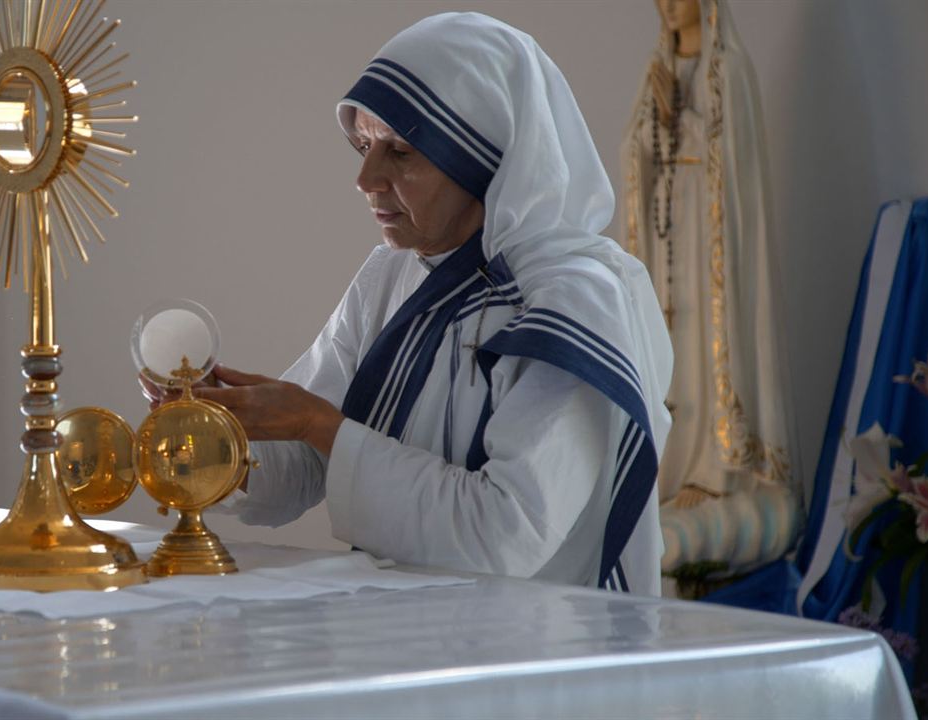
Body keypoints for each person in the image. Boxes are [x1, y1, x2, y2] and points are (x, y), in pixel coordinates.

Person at [150, 13, 673, 594]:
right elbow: (303, 468)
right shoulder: (392, 276)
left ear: (484, 159)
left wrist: (316, 423)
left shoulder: (577, 304)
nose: (365, 177)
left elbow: (501, 535)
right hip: (403, 638)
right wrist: (215, 430)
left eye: (399, 151)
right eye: (364, 145)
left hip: (533, 659)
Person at [622, 0, 800, 577]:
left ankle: (717, 474)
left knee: (707, 355)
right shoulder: (661, 70)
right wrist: (650, 124)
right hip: (667, 230)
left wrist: (679, 124)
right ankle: (676, 471)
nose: (669, 8)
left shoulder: (730, 72)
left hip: (711, 240)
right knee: (672, 354)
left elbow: (731, 156)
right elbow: (637, 155)